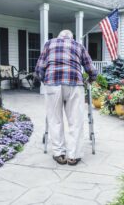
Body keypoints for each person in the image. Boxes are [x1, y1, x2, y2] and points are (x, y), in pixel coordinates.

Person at [35, 30, 98, 165]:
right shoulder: (78, 46)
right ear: (71, 38)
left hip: (52, 83)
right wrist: (91, 79)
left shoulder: (49, 44)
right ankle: (73, 155)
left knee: (55, 119)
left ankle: (59, 154)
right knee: (75, 120)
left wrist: (44, 80)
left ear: (59, 37)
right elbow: (90, 68)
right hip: (74, 83)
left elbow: (39, 68)